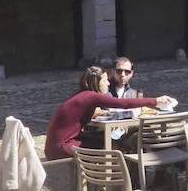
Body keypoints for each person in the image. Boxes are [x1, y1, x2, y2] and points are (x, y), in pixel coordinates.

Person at [44, 66, 173, 161]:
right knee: (111, 146)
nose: (108, 83)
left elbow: (76, 115)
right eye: (105, 80)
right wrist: (156, 101)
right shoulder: (91, 96)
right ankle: (104, 184)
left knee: (105, 140)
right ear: (96, 83)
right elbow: (123, 104)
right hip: (62, 147)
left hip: (55, 145)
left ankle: (102, 182)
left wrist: (96, 113)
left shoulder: (82, 95)